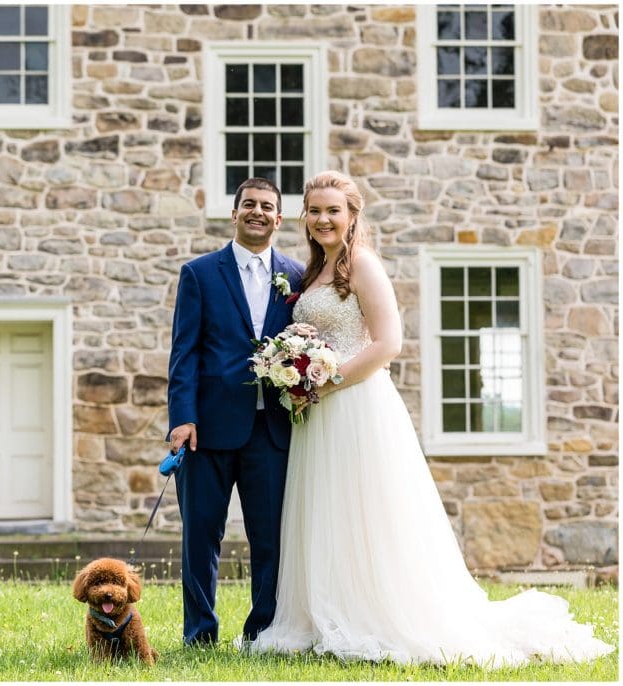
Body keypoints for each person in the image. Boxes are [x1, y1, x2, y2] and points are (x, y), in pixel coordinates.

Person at [248, 170, 614, 665]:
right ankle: (320, 613)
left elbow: (387, 344)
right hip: (318, 414)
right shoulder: (313, 273)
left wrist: (325, 382)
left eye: (334, 210)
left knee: (365, 511)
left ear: (353, 215)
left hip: (356, 406)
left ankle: (373, 614)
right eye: (314, 210)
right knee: (327, 510)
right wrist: (299, 374)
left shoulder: (363, 265)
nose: (323, 219)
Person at [167, 177, 305, 646]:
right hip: (207, 429)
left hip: (272, 431)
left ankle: (261, 633)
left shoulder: (298, 276)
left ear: (279, 218)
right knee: (200, 540)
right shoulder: (200, 273)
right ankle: (199, 634)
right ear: (234, 212)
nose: (258, 212)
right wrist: (182, 419)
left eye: (268, 206)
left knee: (270, 541)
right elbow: (183, 352)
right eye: (249, 204)